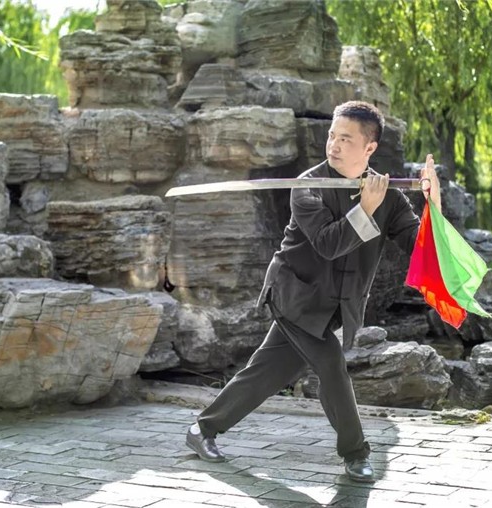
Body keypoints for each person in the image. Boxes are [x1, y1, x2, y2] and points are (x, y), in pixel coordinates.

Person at [185, 100, 441, 483]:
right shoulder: (306, 187)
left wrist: (433, 202)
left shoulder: (387, 195)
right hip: (294, 297)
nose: (333, 145)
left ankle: (202, 429)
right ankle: (356, 454)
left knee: (266, 373)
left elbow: (421, 248)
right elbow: (328, 244)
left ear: (370, 147)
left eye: (345, 139)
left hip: (333, 307)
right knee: (331, 366)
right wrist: (364, 211)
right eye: (332, 136)